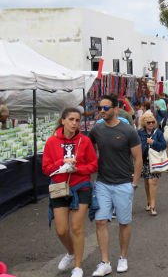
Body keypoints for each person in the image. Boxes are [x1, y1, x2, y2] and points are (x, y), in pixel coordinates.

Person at [88, 94, 142, 276]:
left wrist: (134, 183)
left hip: (123, 184)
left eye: (105, 108)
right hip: (102, 183)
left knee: (124, 222)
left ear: (115, 109)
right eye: (99, 108)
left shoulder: (128, 131)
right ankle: (104, 262)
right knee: (100, 221)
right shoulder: (96, 130)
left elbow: (138, 159)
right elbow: (87, 149)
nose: (101, 111)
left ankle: (123, 257)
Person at [42, 108, 98, 277]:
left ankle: (78, 267)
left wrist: (77, 168)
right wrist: (62, 162)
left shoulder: (85, 141)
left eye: (77, 120)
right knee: (61, 230)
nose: (75, 123)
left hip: (81, 186)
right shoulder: (52, 141)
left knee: (77, 228)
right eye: (71, 119)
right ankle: (71, 252)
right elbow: (46, 168)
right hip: (60, 187)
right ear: (63, 121)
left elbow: (94, 166)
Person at [138, 114, 167, 216]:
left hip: (155, 161)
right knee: (147, 182)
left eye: (153, 122)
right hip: (144, 161)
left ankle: (153, 206)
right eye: (148, 122)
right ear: (144, 123)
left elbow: (163, 145)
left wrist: (153, 142)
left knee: (153, 181)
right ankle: (149, 201)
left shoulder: (158, 133)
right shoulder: (140, 133)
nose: (151, 124)